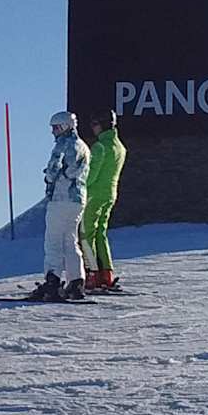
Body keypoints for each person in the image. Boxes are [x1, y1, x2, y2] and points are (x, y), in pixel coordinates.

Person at [28, 110, 90, 301]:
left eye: (56, 127)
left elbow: (54, 169)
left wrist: (49, 176)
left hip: (60, 198)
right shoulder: (83, 146)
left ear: (65, 126)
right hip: (77, 200)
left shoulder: (62, 145)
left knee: (53, 241)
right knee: (70, 240)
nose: (53, 131)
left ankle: (52, 283)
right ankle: (76, 282)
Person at [82, 109, 127, 290]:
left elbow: (91, 176)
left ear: (102, 125)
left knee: (86, 234)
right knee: (101, 232)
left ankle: (91, 274)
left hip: (93, 195)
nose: (93, 128)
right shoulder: (119, 147)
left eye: (94, 124)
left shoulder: (100, 147)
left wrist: (79, 184)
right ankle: (106, 274)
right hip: (110, 193)